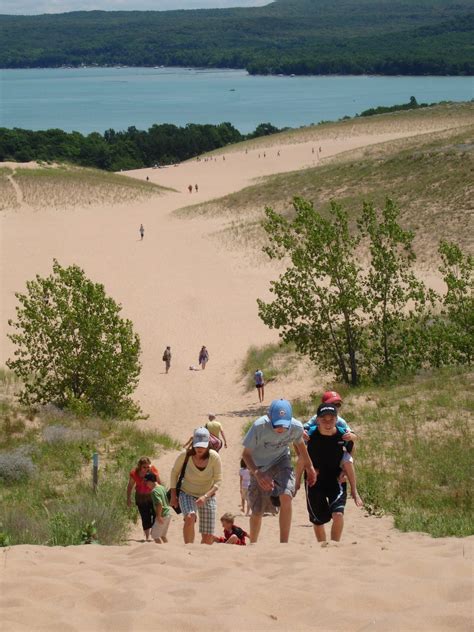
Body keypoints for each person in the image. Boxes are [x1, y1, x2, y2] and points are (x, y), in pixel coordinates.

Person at [242, 399, 316, 543]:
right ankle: (253, 543)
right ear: (269, 417)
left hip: (281, 461)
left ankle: (284, 543)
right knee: (257, 510)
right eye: (277, 425)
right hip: (259, 466)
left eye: (284, 425)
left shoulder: (296, 427)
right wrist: (258, 474)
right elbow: (245, 455)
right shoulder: (259, 427)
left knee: (286, 495)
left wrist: (310, 467)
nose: (281, 429)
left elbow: (300, 445)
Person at [297, 403, 351, 542]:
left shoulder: (343, 436)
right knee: (318, 521)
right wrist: (306, 471)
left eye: (331, 419)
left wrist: (345, 470)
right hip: (314, 481)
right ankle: (322, 548)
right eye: (324, 419)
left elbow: (350, 451)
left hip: (336, 480)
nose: (327, 422)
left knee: (338, 515)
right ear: (317, 420)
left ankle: (335, 546)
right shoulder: (309, 435)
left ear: (336, 419)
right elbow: (299, 452)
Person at [304, 391, 362, 507]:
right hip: (319, 448)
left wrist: (351, 436)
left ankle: (354, 491)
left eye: (338, 405)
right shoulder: (316, 419)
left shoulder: (339, 421)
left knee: (348, 461)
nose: (335, 407)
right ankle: (297, 485)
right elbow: (303, 429)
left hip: (340, 448)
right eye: (332, 404)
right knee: (304, 455)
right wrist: (304, 432)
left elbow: (354, 437)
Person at [169, 427, 222, 545]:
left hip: (208, 495)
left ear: (208, 444)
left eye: (203, 445)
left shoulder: (214, 457)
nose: (200, 448)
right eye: (197, 445)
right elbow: (174, 473)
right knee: (189, 517)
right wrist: (173, 495)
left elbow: (218, 481)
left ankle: (202, 558)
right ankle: (189, 549)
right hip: (187, 492)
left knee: (208, 536)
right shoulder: (185, 456)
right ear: (193, 443)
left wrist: (206, 496)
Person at [126, 457, 161, 541]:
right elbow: (130, 486)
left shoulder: (153, 470)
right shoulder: (134, 473)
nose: (146, 469)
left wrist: (160, 496)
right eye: (144, 467)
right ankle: (147, 537)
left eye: (148, 467)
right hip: (140, 497)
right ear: (140, 466)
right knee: (145, 516)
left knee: (156, 514)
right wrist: (128, 498)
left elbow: (159, 483)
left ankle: (154, 533)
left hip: (152, 495)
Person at [144, 471, 171, 544]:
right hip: (168, 513)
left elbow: (159, 504)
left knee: (155, 535)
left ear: (150, 481)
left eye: (146, 482)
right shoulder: (162, 487)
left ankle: (162, 552)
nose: (146, 485)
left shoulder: (154, 491)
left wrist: (158, 516)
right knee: (163, 535)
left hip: (163, 515)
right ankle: (168, 549)